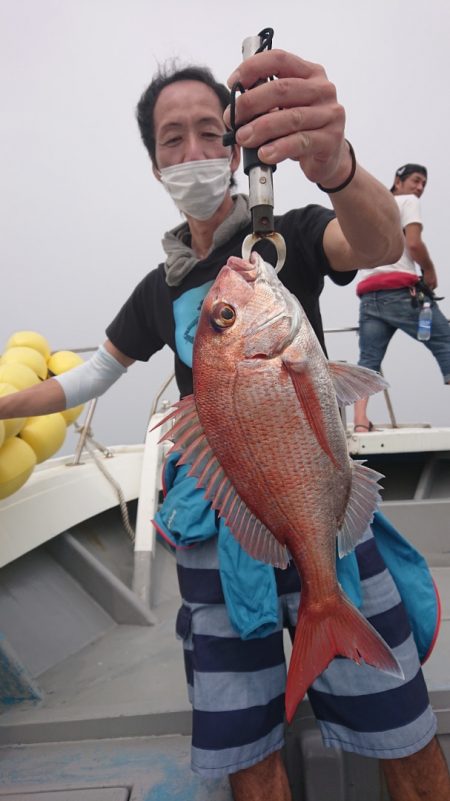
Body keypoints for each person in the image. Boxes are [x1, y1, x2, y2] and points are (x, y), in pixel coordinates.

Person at [1, 49, 449, 801]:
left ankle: (331, 620)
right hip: (218, 524)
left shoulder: (289, 237)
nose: (193, 151)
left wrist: (337, 167)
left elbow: (371, 245)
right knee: (245, 749)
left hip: (320, 507)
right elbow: (89, 377)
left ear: (236, 147)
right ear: (154, 164)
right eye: (172, 139)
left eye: (210, 132)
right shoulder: (156, 290)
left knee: (402, 725)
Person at [354, 163, 450, 432]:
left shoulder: (370, 209)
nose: (419, 188)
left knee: (368, 361)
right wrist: (429, 270)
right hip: (401, 293)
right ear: (398, 180)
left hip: (369, 296)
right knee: (445, 340)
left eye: (423, 185)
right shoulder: (406, 201)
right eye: (416, 181)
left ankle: (360, 421)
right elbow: (414, 243)